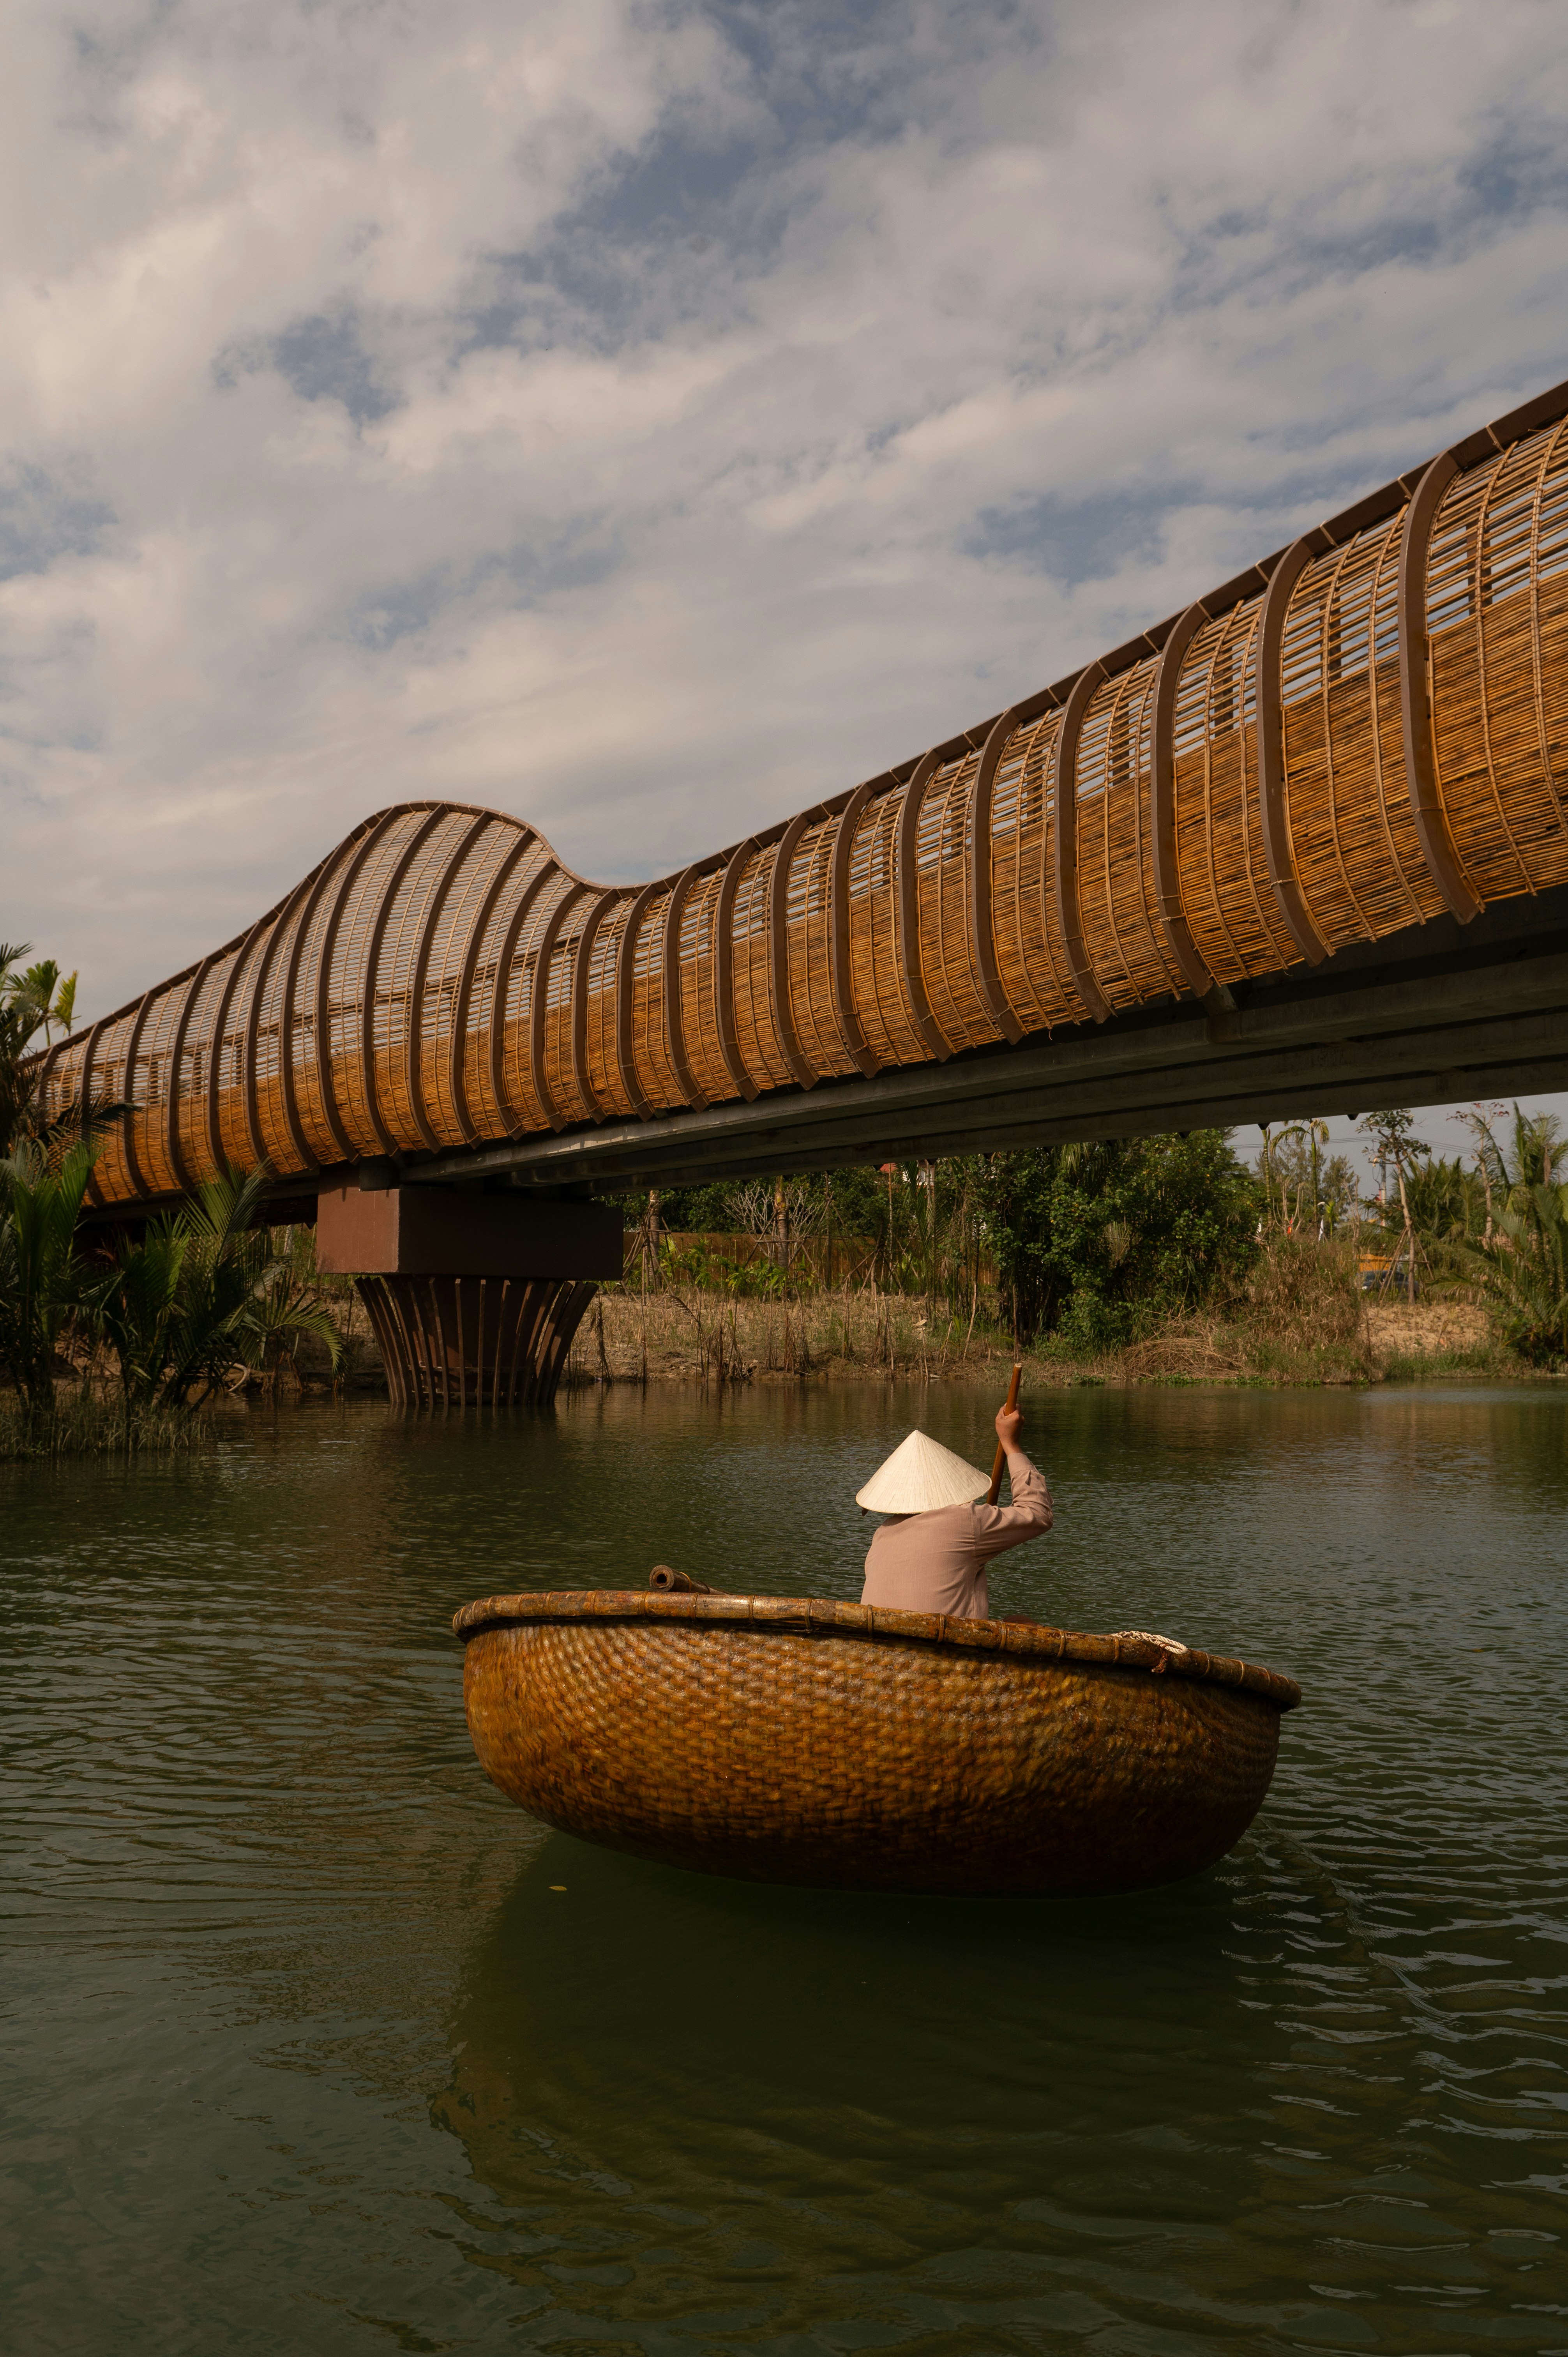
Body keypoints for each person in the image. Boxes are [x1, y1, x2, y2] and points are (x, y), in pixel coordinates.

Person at [858, 1403, 1052, 1622]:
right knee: (1021, 1623)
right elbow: (1037, 1512)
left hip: (882, 1639)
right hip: (941, 1639)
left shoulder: (881, 1536)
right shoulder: (963, 1520)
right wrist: (1011, 1443)